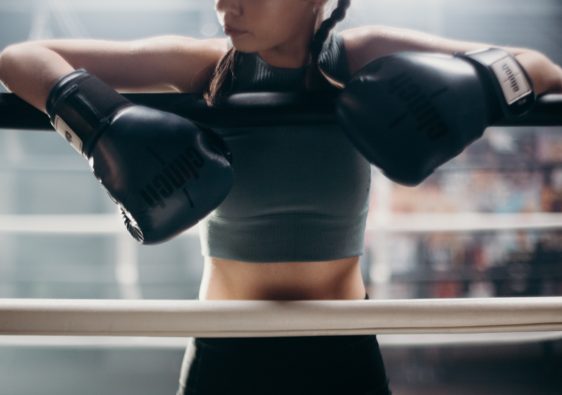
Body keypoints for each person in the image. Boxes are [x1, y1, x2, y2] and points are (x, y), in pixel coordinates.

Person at [1, 0, 562, 394]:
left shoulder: (358, 57)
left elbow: (540, 68)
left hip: (340, 340)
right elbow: (20, 58)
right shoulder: (206, 66)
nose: (227, 6)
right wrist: (104, 124)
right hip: (226, 341)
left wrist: (478, 89)